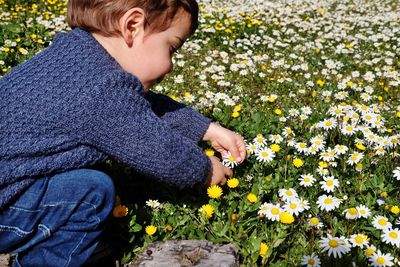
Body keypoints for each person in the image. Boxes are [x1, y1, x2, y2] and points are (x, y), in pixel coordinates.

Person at [0, 0, 246, 266]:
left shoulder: (78, 58)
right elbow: (160, 151)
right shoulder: (100, 92)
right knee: (92, 192)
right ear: (132, 25)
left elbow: (139, 107)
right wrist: (204, 169)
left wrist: (206, 129)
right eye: (172, 47)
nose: (171, 65)